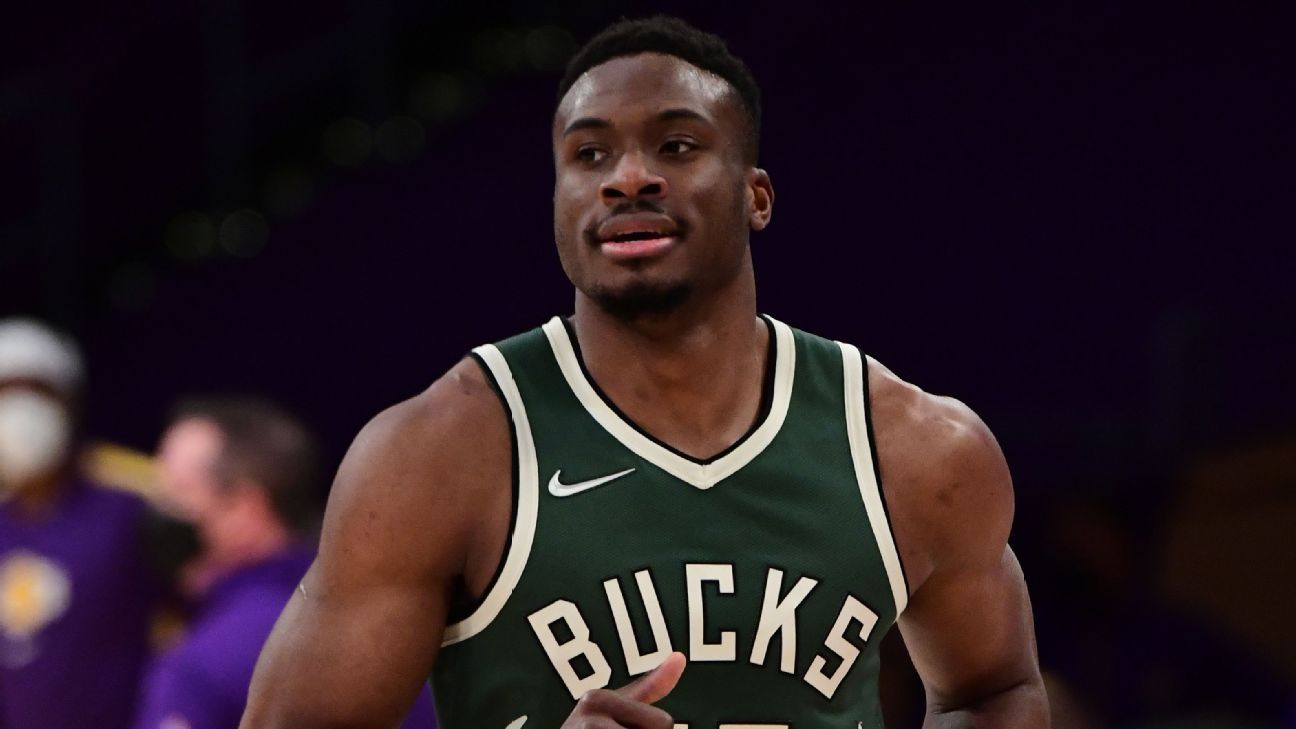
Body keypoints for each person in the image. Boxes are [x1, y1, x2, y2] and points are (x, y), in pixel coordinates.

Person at [241, 16, 1049, 728]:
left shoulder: (913, 446)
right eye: (589, 154)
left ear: (757, 196)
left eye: (677, 145)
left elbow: (995, 689)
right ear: (558, 201)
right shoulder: (439, 452)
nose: (627, 177)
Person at [135, 397, 436, 729]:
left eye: (176, 493)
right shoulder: (403, 629)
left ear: (243, 510)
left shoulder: (203, 664)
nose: (156, 511)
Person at [0, 318, 156, 729]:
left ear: (69, 403)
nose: (20, 410)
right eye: (5, 394)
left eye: (37, 391)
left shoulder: (128, 509)